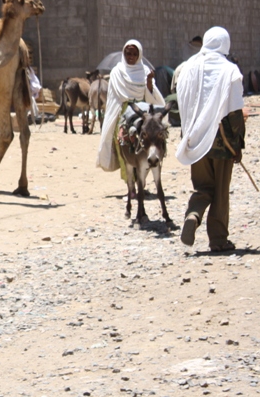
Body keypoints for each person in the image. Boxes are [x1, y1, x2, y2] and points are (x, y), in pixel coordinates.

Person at [176, 26, 245, 252]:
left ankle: (194, 215)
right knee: (221, 191)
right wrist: (238, 144)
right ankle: (217, 239)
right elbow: (234, 113)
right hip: (222, 142)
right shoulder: (229, 70)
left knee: (203, 186)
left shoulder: (188, 68)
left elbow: (183, 103)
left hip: (195, 138)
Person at [96, 40, 165, 177]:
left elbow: (150, 96)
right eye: (128, 53)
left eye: (134, 54)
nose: (131, 57)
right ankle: (130, 184)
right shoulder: (117, 72)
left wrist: (149, 82)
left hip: (142, 113)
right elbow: (114, 98)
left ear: (139, 55)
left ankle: (141, 181)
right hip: (123, 114)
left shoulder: (145, 71)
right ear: (124, 54)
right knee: (124, 147)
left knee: (150, 143)